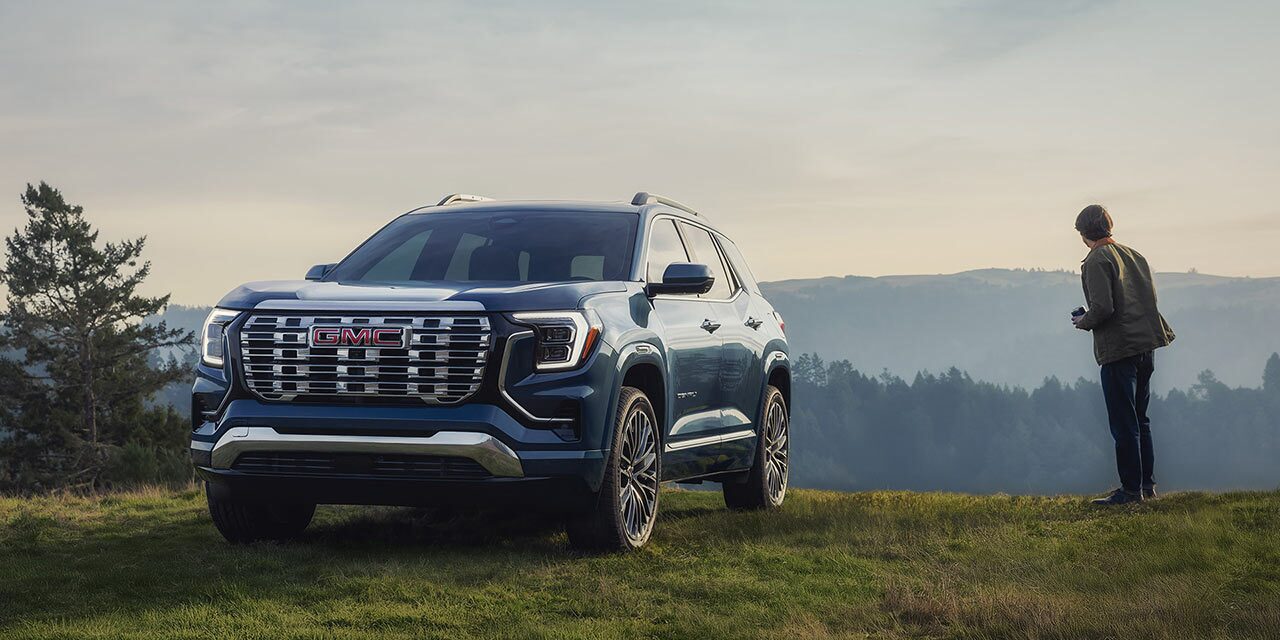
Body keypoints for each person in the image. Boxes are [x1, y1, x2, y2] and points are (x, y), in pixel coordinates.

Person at [1071, 204, 1175, 505]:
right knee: (1141, 419)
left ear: (1083, 233)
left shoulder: (1096, 260)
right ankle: (1146, 486)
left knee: (1123, 422)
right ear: (1108, 225)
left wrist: (1084, 321)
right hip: (1146, 345)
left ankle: (1129, 491)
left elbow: (1103, 308)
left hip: (1119, 349)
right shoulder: (1134, 255)